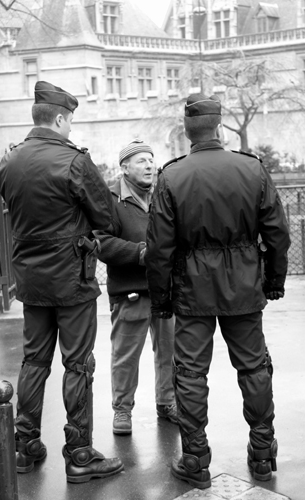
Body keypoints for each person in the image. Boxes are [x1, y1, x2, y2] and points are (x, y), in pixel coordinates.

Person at [145, 94, 291, 489]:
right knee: (254, 367)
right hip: (243, 285)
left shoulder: (172, 176)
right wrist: (273, 280)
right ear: (220, 127)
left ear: (188, 132)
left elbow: (159, 247)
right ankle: (262, 454)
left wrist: (161, 300)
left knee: (190, 373)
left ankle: (195, 458)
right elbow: (278, 233)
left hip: (192, 289)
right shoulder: (251, 169)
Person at [0, 81, 124, 483]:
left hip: (31, 281)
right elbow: (109, 219)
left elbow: (12, 207)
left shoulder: (9, 162)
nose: (71, 130)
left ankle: (24, 445)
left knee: (34, 360)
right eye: (69, 122)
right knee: (78, 365)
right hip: (72, 279)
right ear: (59, 119)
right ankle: (80, 453)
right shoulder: (73, 160)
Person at [95, 140, 177, 435]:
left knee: (169, 352)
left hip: (165, 290)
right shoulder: (110, 199)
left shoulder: (164, 195)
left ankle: (167, 403)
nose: (150, 166)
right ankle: (122, 410)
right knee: (125, 356)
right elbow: (101, 242)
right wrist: (141, 253)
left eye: (151, 160)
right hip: (130, 291)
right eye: (141, 161)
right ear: (125, 167)